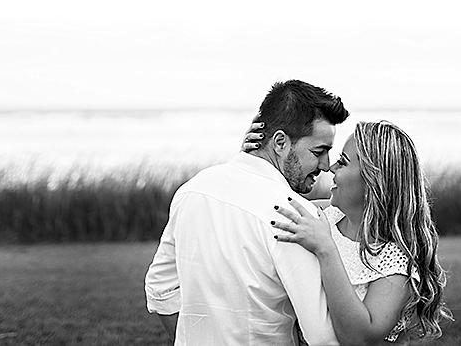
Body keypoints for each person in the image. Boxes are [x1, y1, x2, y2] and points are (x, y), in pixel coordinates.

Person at [145, 79, 350, 345]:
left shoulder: (191, 190)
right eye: (319, 151)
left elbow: (160, 289)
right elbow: (323, 337)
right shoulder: (293, 216)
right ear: (280, 142)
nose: (326, 165)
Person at [245, 119, 452, 344]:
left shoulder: (396, 260)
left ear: (373, 181)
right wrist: (253, 159)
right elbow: (262, 206)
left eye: (342, 162)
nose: (330, 168)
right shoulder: (323, 216)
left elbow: (358, 339)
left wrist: (326, 249)